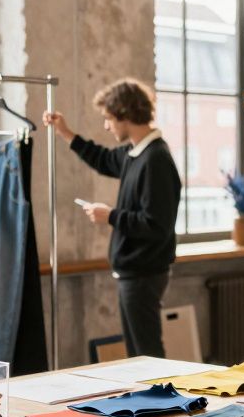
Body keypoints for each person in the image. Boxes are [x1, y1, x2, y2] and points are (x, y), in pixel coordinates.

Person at [44, 79, 182, 356]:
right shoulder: (136, 153)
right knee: (139, 353)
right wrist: (65, 132)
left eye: (108, 119)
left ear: (125, 115)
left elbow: (157, 225)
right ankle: (149, 399)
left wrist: (111, 216)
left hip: (144, 272)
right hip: (134, 271)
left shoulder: (155, 160)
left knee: (147, 353)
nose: (106, 126)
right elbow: (103, 159)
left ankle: (159, 399)